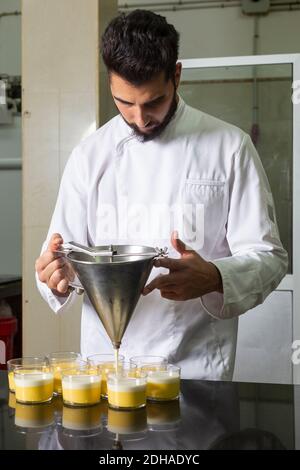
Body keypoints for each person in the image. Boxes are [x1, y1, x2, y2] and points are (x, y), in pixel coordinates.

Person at [35, 9, 287, 380]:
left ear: (177, 76)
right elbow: (62, 257)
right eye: (124, 103)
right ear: (110, 84)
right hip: (109, 373)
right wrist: (58, 273)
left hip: (195, 372)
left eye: (153, 102)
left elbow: (269, 257)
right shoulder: (90, 156)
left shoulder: (228, 148)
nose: (139, 118)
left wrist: (216, 276)